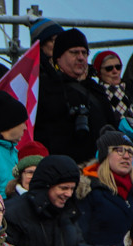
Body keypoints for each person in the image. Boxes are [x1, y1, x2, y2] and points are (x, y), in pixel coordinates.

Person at [34, 29, 118, 164]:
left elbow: (112, 128)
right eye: (74, 52)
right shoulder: (44, 88)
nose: (80, 57)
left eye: (84, 53)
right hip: (62, 172)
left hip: (99, 170)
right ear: (58, 57)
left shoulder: (96, 90)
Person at [78, 127, 133, 246]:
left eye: (130, 152)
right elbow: (80, 240)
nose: (126, 156)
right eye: (119, 151)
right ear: (105, 155)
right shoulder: (89, 190)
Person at [94, 51, 132, 122]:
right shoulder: (96, 95)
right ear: (99, 72)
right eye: (109, 68)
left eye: (118, 67)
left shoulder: (130, 88)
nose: (115, 71)